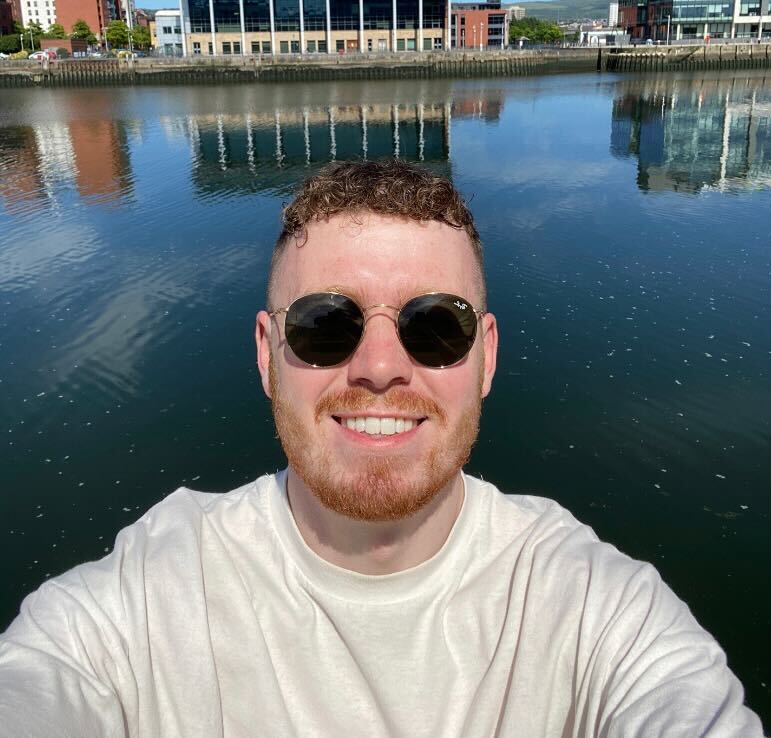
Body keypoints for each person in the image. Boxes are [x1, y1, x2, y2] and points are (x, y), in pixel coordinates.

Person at [0, 160, 763, 738]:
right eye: (324, 324)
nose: (378, 366)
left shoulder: (599, 610)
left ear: (486, 357)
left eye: (436, 326)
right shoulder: (142, 599)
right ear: (267, 354)